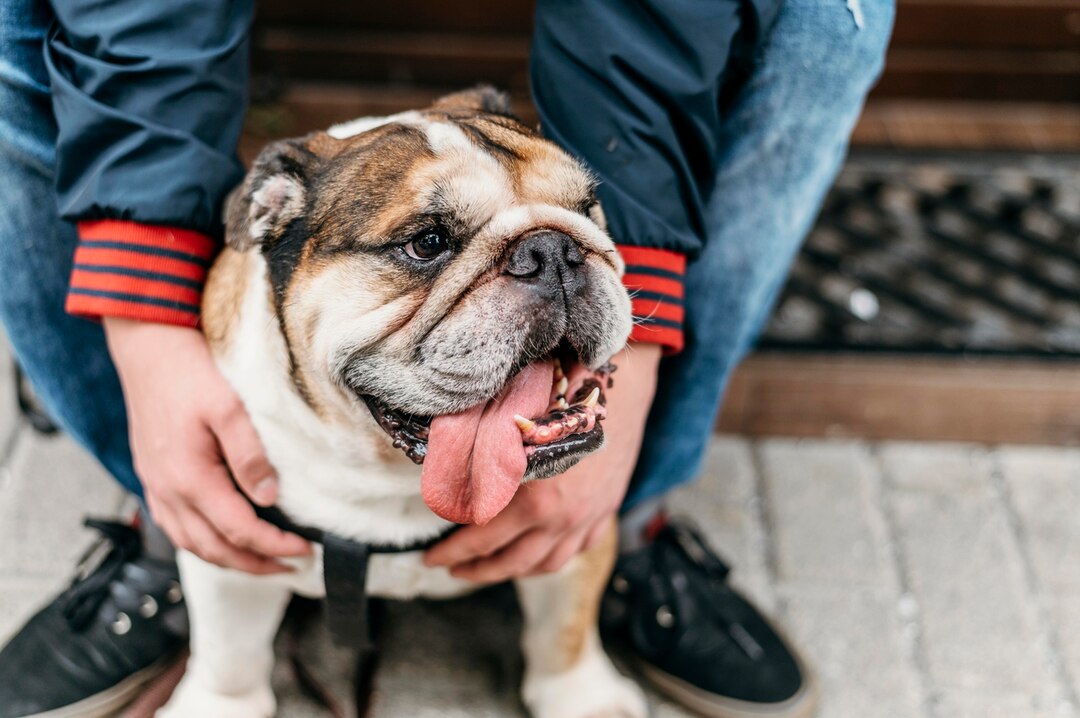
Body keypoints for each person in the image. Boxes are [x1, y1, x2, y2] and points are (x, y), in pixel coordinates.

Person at [0, 0, 893, 716]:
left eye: (574, 223)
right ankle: (179, 528)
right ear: (269, 222)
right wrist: (147, 324)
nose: (545, 271)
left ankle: (618, 532)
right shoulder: (267, 256)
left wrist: (639, 348)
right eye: (427, 242)